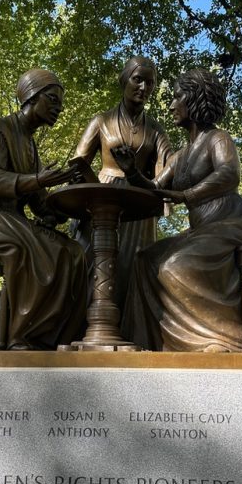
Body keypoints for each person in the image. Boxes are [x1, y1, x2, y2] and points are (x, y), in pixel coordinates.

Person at [112, 69, 242, 352]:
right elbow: (155, 186)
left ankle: (223, 338)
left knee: (174, 266)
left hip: (231, 225)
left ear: (195, 100)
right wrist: (132, 172)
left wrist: (186, 195)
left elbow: (230, 173)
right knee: (144, 260)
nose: (171, 105)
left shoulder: (218, 139)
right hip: (201, 230)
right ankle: (151, 343)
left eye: (177, 97)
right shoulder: (180, 155)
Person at [0, 69, 87, 350]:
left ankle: (51, 336)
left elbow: (38, 201)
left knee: (73, 252)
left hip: (6, 219)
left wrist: (63, 201)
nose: (59, 108)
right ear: (31, 97)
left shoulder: (31, 147)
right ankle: (18, 336)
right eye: (53, 99)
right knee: (28, 246)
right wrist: (36, 180)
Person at [70, 56, 172, 310]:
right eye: (138, 80)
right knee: (90, 258)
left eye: (150, 83)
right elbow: (77, 163)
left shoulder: (156, 130)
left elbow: (170, 164)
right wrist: (94, 192)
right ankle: (89, 320)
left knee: (135, 261)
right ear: (124, 81)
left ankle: (131, 325)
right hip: (104, 196)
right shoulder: (101, 121)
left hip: (138, 202)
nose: (144, 88)